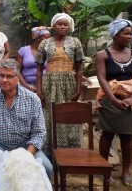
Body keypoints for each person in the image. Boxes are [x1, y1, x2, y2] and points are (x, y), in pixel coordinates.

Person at [0, 59, 52, 178]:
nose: (4, 80)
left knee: (46, 167)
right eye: (1, 75)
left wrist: (27, 155)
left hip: (23, 145)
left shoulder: (32, 99)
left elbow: (39, 132)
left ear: (18, 78)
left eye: (9, 76)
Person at [35, 13, 84, 156]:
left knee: (69, 114)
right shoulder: (45, 43)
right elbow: (39, 70)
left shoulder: (75, 42)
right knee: (50, 115)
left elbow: (79, 69)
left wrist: (78, 88)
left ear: (69, 26)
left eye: (65, 24)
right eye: (59, 24)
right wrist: (39, 91)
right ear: (53, 26)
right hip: (49, 84)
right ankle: (50, 153)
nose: (62, 27)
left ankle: (69, 153)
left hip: (68, 83)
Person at [95, 19, 132, 187]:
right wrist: (113, 100)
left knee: (128, 137)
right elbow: (102, 79)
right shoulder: (103, 55)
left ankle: (125, 171)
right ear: (115, 34)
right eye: (125, 33)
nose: (129, 36)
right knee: (107, 135)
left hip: (131, 102)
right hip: (110, 100)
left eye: (130, 33)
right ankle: (104, 168)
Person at [15, 26, 51, 92]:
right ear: (38, 38)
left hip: (46, 85)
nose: (48, 41)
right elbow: (17, 71)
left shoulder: (49, 52)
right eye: (46, 38)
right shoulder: (23, 51)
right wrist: (27, 87)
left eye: (49, 38)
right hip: (26, 85)